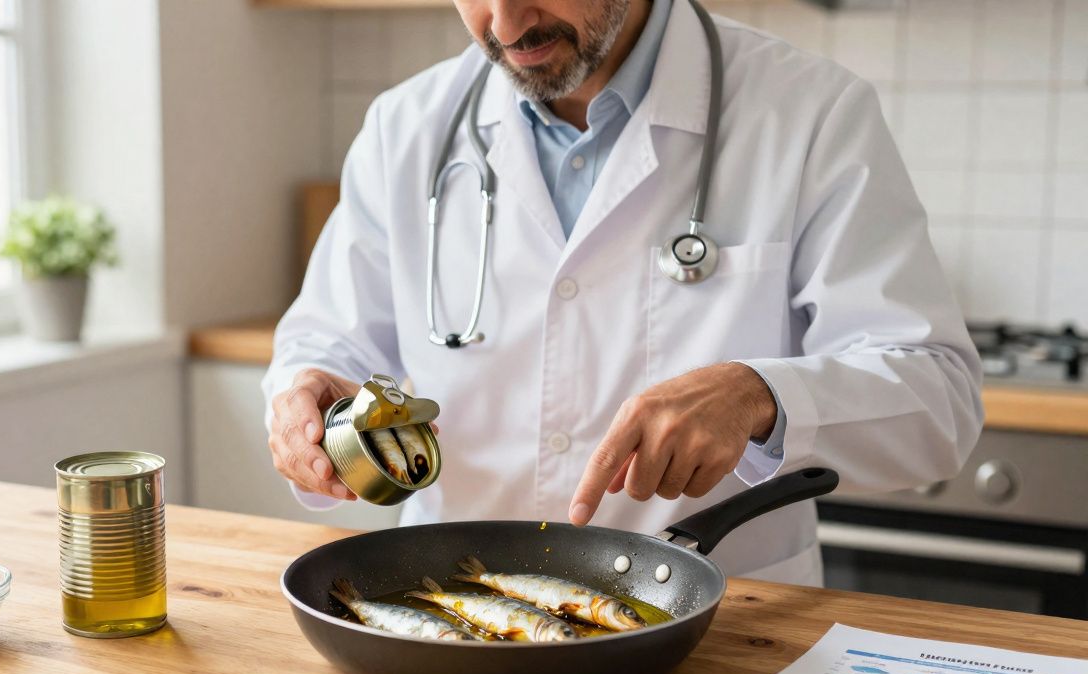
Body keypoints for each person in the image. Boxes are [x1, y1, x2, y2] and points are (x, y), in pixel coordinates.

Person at [262, 0, 983, 586]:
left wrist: (758, 395)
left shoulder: (811, 113)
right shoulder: (405, 127)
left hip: (720, 622)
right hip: (459, 607)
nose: (507, 23)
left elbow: (938, 401)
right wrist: (306, 393)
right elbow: (328, 338)